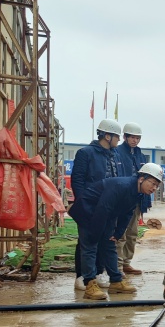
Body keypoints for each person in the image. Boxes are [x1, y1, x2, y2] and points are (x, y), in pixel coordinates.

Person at [69, 163, 164, 301]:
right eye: (153, 183)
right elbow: (103, 207)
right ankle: (89, 285)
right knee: (90, 246)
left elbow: (127, 213)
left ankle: (116, 281)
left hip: (104, 214)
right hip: (87, 210)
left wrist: (117, 233)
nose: (154, 188)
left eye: (157, 186)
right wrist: (95, 233)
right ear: (141, 179)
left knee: (109, 244)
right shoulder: (122, 185)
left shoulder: (138, 193)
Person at [71, 118, 122, 291]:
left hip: (108, 207)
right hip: (90, 205)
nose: (119, 140)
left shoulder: (115, 155)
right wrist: (83, 204)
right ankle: (82, 276)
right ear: (107, 136)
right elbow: (77, 181)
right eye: (117, 136)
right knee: (87, 242)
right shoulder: (86, 153)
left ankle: (99, 273)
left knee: (105, 240)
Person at [114, 122, 151, 276]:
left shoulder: (140, 155)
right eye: (132, 137)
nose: (135, 140)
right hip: (122, 200)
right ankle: (117, 265)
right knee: (120, 233)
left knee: (132, 233)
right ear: (125, 137)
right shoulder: (116, 153)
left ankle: (126, 263)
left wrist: (145, 202)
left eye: (137, 138)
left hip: (137, 199)